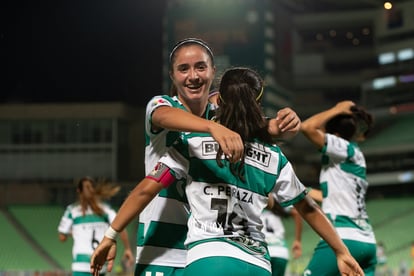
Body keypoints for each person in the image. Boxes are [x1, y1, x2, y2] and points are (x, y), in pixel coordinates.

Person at [90, 67, 364, 276]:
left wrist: (110, 236)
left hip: (210, 259)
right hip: (258, 265)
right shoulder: (274, 157)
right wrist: (341, 251)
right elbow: (309, 208)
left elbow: (146, 189)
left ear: (217, 100)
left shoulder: (192, 144)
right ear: (257, 102)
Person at [136, 37, 301, 276]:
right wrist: (212, 127)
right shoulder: (163, 105)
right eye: (183, 68)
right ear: (172, 75)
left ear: (213, 71)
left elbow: (268, 128)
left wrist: (289, 121)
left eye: (200, 67)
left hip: (207, 248)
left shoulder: (222, 118)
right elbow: (162, 117)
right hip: (161, 249)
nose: (193, 75)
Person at [300, 101, 377, 276]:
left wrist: (336, 110)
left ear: (334, 135)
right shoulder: (353, 157)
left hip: (344, 236)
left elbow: (307, 127)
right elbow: (329, 196)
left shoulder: (343, 147)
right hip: (367, 241)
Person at [58, 176, 134, 276]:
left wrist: (77, 232)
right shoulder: (105, 209)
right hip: (100, 262)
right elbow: (121, 227)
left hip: (81, 264)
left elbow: (62, 237)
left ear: (78, 191)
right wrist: (127, 248)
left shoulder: (72, 210)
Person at [262, 194, 302, 276]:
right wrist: (297, 240)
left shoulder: (253, 203)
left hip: (262, 251)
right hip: (280, 251)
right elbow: (296, 213)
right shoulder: (276, 204)